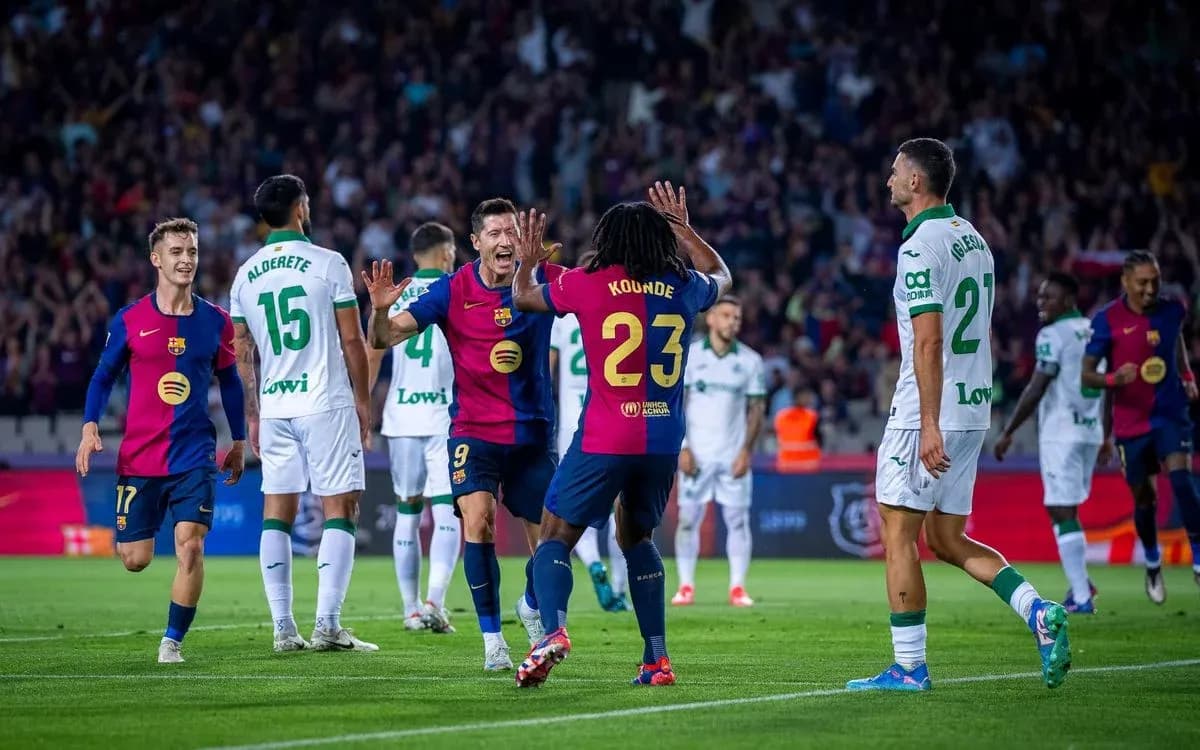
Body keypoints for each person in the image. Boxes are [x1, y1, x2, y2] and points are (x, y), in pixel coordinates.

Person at [847, 138, 1070, 693]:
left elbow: (927, 341)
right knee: (947, 540)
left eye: (896, 171)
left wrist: (925, 422)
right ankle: (1038, 612)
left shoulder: (920, 247)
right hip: (973, 408)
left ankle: (908, 667)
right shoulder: (974, 240)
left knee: (897, 535)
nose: (889, 180)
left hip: (930, 412)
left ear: (917, 181)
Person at [509, 182, 731, 688]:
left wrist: (526, 259)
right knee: (638, 539)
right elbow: (724, 274)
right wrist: (688, 230)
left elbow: (522, 297)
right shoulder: (686, 285)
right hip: (662, 440)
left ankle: (553, 632)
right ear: (662, 238)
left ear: (607, 240)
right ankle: (656, 660)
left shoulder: (590, 282)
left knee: (555, 537)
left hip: (606, 434)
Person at [362, 198, 556, 671]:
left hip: (531, 434)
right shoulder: (452, 290)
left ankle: (530, 604)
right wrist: (380, 312)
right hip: (473, 431)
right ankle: (492, 640)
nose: (506, 240)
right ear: (476, 243)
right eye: (494, 233)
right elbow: (382, 339)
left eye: (511, 231)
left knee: (552, 542)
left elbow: (596, 299)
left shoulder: (544, 279)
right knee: (478, 522)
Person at [76, 217, 246, 664]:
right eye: (176, 252)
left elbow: (230, 383)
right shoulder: (131, 319)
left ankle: (172, 641)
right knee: (135, 558)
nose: (186, 259)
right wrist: (90, 425)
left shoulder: (216, 322)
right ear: (156, 259)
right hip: (140, 458)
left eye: (191, 251)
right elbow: (103, 376)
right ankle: (147, 569)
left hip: (195, 455)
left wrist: (240, 440)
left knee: (191, 543)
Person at [230, 175, 377, 653]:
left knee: (277, 511)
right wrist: (362, 399)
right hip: (324, 402)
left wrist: (253, 412)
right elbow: (353, 339)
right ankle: (328, 625)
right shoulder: (328, 263)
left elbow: (241, 349)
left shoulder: (244, 274)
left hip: (275, 406)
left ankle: (282, 629)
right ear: (300, 208)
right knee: (342, 506)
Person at [1081, 251, 1200, 603]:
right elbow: (1086, 373)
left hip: (1169, 412)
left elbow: (1174, 340)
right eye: (1143, 282)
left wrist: (1187, 375)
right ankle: (1152, 562)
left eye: (1155, 281)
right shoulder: (1108, 320)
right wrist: (1114, 377)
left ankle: (1198, 555)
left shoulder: (1172, 309)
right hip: (1131, 422)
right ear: (1126, 282)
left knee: (1181, 479)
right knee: (1145, 499)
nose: (1150, 289)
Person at [367, 222, 461, 633]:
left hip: (401, 417)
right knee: (446, 514)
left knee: (407, 513)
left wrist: (364, 408)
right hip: (442, 416)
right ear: (445, 253)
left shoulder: (397, 293)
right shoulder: (460, 289)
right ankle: (434, 602)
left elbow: (373, 349)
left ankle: (409, 609)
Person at [994, 272, 1105, 613]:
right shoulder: (1094, 330)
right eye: (1040, 297)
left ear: (1069, 299)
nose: (1041, 304)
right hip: (1090, 430)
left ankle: (1082, 597)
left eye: (1050, 297)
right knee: (1065, 508)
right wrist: (1108, 433)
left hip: (1062, 432)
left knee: (1060, 509)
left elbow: (1038, 385)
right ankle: (1081, 586)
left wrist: (1009, 429)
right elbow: (1106, 382)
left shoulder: (1052, 335)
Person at [672, 295, 766, 608]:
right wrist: (682, 446)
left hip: (731, 454)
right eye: (726, 315)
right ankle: (686, 586)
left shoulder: (750, 361)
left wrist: (746, 451)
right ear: (711, 319)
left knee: (738, 520)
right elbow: (677, 404)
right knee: (688, 519)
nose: (732, 322)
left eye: (736, 318)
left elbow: (756, 408)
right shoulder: (690, 356)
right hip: (696, 453)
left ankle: (738, 587)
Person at [549, 249, 627, 613]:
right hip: (614, 415)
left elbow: (545, 369)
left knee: (574, 507)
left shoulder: (564, 318)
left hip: (571, 421)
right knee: (620, 507)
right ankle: (620, 588)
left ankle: (593, 564)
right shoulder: (623, 310)